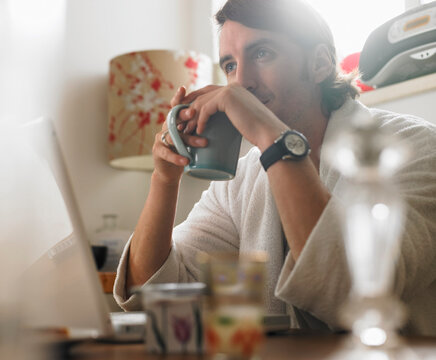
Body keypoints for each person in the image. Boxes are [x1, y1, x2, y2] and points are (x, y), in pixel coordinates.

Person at [114, 0, 436, 335]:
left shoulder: (415, 147)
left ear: (320, 64)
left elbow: (354, 297)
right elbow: (151, 293)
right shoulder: (239, 180)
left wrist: (270, 135)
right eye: (229, 65)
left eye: (262, 53)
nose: (241, 83)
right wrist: (164, 180)